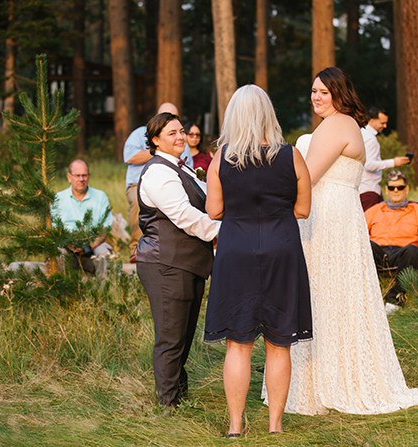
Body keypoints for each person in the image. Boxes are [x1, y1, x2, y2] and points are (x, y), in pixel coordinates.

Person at [283, 67, 418, 415]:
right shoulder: (340, 124)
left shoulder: (338, 123)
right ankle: (326, 376)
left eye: (324, 92)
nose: (316, 97)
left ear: (340, 94)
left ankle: (333, 380)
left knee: (327, 294)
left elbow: (307, 176)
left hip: (328, 216)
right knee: (330, 295)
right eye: (313, 91)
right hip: (332, 214)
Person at [204, 85, 313, 436]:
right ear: (269, 115)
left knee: (239, 342)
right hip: (281, 247)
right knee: (279, 342)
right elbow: (303, 209)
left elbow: (214, 209)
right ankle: (275, 426)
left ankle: (236, 427)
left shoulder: (222, 158)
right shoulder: (291, 155)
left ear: (233, 116)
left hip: (236, 248)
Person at [135, 112, 220, 409]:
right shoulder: (158, 172)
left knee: (183, 334)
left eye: (182, 131)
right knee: (171, 337)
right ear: (156, 140)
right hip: (165, 264)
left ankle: (179, 397)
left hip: (188, 263)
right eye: (172, 133)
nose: (181, 137)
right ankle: (168, 406)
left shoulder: (180, 168)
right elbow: (184, 216)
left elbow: (209, 203)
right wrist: (225, 232)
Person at [123, 103, 193, 261]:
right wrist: (159, 149)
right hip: (138, 184)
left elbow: (188, 166)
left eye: (174, 117)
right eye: (166, 116)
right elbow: (130, 157)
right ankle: (136, 249)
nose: (170, 120)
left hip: (174, 183)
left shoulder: (181, 139)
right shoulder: (140, 133)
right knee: (136, 200)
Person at [365, 170, 418, 306]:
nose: (396, 190)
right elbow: (358, 229)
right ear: (386, 190)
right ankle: (368, 296)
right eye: (391, 187)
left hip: (403, 253)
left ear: (407, 189)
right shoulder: (375, 210)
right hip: (379, 252)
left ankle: (395, 298)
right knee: (367, 245)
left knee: (412, 250)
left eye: (400, 187)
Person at [51, 159, 113, 274]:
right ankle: (64, 290)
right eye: (77, 175)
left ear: (89, 176)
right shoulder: (59, 198)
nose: (81, 179)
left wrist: (87, 247)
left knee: (105, 254)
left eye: (84, 175)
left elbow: (105, 228)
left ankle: (106, 291)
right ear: (69, 177)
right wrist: (69, 244)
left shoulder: (100, 197)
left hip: (93, 247)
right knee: (58, 252)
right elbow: (55, 229)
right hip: (67, 246)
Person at [359, 106, 409, 211]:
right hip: (369, 190)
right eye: (382, 123)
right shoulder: (370, 139)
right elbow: (369, 164)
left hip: (363, 189)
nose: (385, 126)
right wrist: (394, 162)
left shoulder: (360, 133)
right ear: (372, 121)